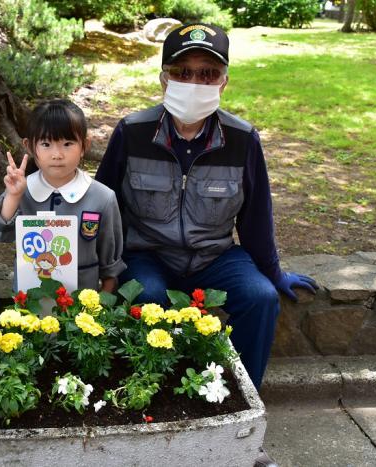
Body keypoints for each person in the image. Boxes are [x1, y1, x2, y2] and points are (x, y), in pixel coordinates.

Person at [95, 23, 318, 390]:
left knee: (261, 298)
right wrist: (100, 269)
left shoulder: (242, 139)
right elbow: (103, 205)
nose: (195, 82)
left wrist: (274, 274)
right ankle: (155, 393)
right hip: (147, 254)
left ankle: (237, 395)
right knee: (146, 296)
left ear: (224, 82)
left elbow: (256, 217)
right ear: (164, 79)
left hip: (214, 256)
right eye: (183, 72)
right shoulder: (132, 132)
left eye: (208, 73)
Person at [0, 99, 126, 292]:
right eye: (46, 144)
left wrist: (104, 302)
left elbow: (110, 263)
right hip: (29, 302)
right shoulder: (21, 190)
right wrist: (13, 197)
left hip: (81, 306)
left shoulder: (102, 197)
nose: (57, 154)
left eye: (67, 143)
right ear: (29, 146)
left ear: (84, 146)